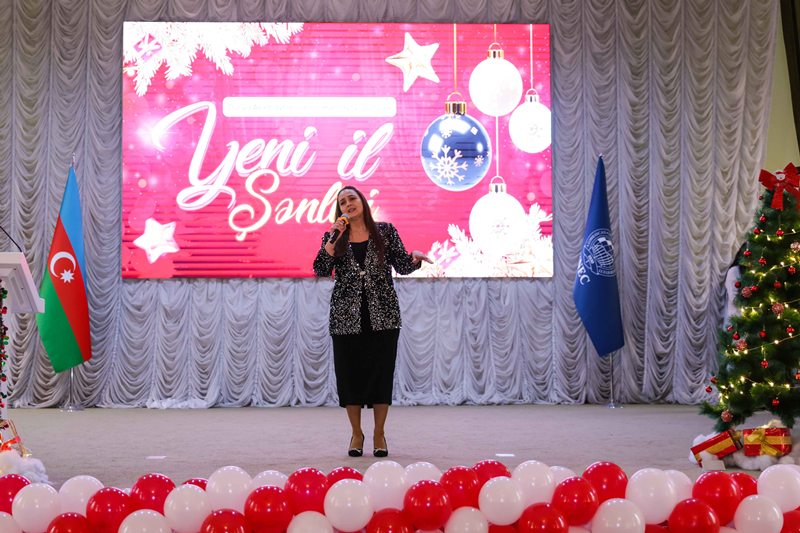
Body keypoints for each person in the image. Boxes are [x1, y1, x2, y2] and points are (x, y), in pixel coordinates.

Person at [313, 185, 431, 457]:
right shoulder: (334, 236)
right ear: (340, 210)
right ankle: (357, 433)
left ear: (362, 201)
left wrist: (415, 259)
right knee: (349, 377)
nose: (348, 204)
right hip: (346, 317)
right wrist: (332, 239)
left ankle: (379, 433)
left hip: (383, 315)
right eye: (343, 202)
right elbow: (320, 269)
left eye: (352, 198)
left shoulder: (385, 231)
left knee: (381, 376)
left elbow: (402, 265)